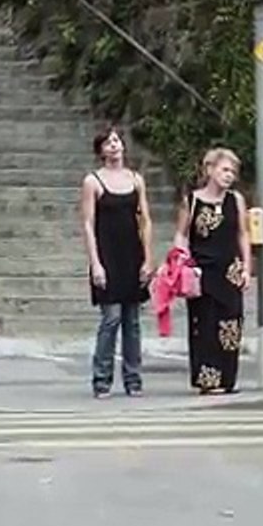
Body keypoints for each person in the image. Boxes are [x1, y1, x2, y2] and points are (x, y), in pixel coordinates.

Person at [80, 126, 154, 399]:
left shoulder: (136, 179)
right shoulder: (93, 182)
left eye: (117, 140)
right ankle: (102, 379)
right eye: (108, 142)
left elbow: (145, 220)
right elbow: (88, 224)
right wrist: (95, 263)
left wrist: (148, 258)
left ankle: (133, 379)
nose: (114, 145)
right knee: (111, 318)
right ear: (100, 149)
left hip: (132, 254)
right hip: (107, 254)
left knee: (132, 321)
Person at [174, 148, 252, 395]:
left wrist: (247, 268)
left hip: (230, 271)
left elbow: (243, 234)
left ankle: (227, 379)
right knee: (204, 326)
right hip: (201, 272)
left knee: (230, 325)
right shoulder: (192, 201)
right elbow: (181, 234)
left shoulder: (236, 200)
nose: (229, 175)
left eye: (233, 172)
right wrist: (181, 260)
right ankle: (207, 380)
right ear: (210, 169)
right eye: (224, 169)